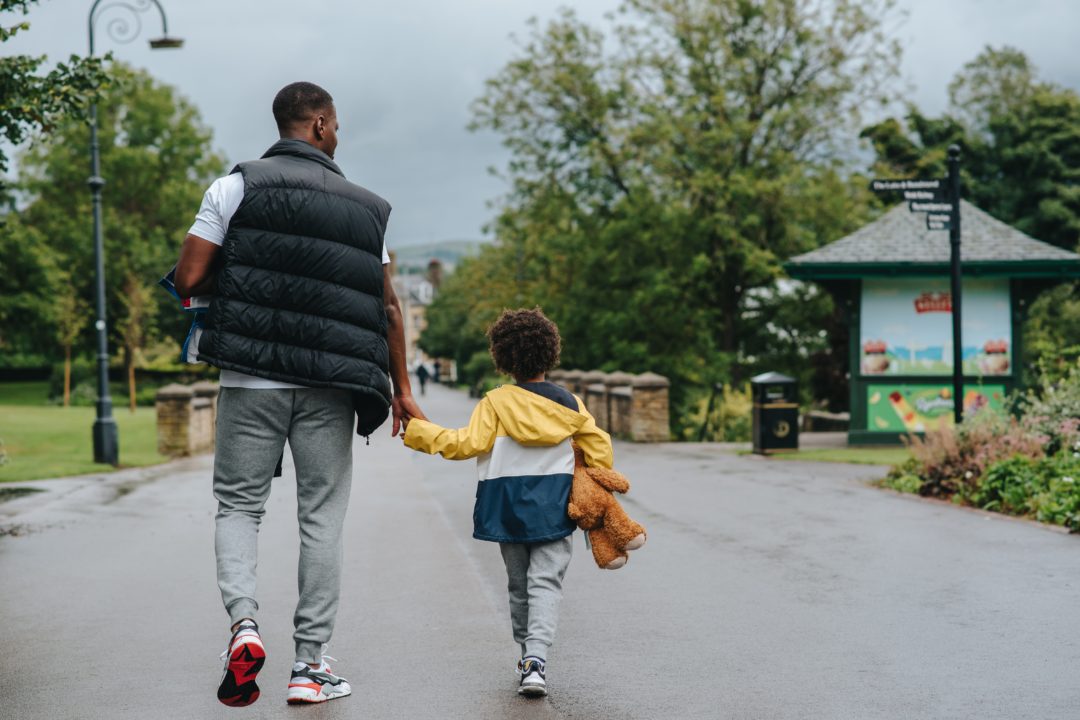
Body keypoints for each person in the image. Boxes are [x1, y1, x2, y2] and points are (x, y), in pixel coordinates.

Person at [173, 81, 423, 708]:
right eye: (334, 125)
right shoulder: (368, 210)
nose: (337, 136)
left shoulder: (233, 188)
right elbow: (388, 307)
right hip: (333, 386)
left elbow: (189, 277)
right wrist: (403, 390)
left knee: (238, 505)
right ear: (316, 124)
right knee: (322, 519)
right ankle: (310, 667)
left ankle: (245, 626)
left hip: (250, 377)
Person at [401, 308, 612, 697]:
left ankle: (525, 657)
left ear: (502, 357)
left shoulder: (495, 403)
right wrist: (591, 475)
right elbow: (600, 449)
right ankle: (537, 658)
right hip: (555, 504)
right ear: (550, 352)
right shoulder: (570, 404)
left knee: (518, 586)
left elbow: (466, 444)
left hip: (507, 506)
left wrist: (419, 432)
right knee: (546, 583)